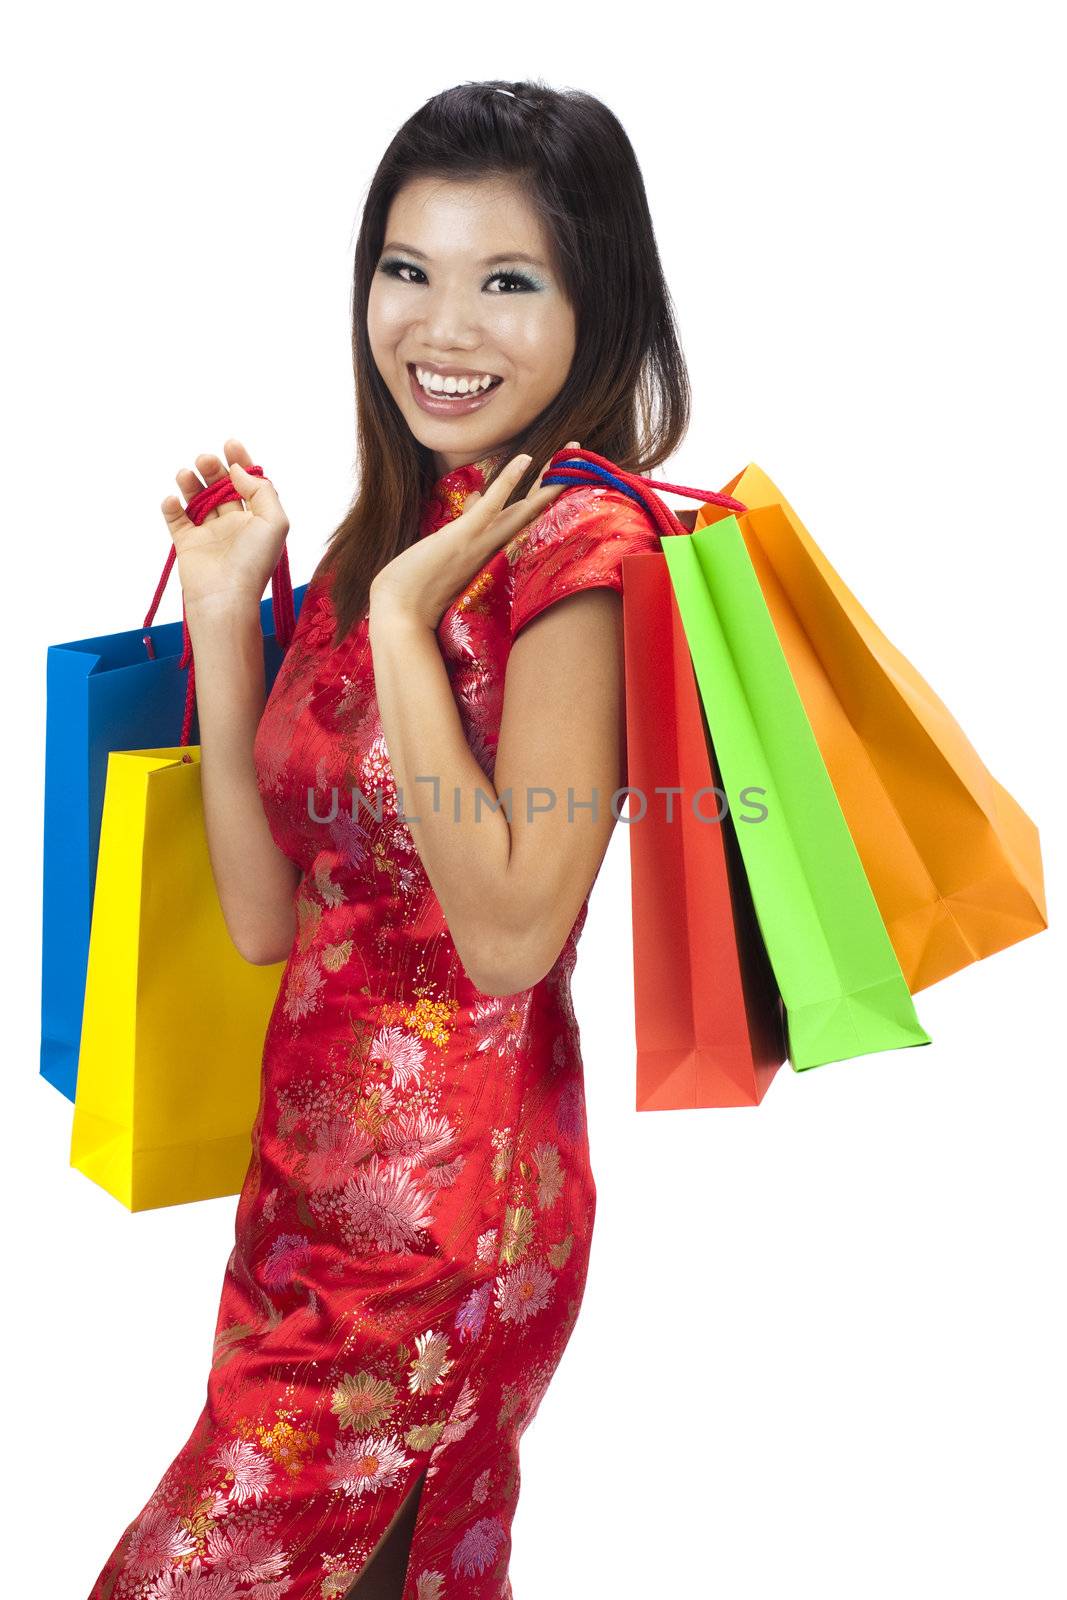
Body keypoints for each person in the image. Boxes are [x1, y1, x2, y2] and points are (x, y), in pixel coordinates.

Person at [86, 77, 690, 1600]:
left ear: (595, 304)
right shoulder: (400, 524)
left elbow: (507, 936)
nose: (444, 326)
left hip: (443, 1227)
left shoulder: (580, 552)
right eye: (408, 272)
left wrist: (413, 623)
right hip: (295, 1204)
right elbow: (266, 918)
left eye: (508, 282)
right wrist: (231, 616)